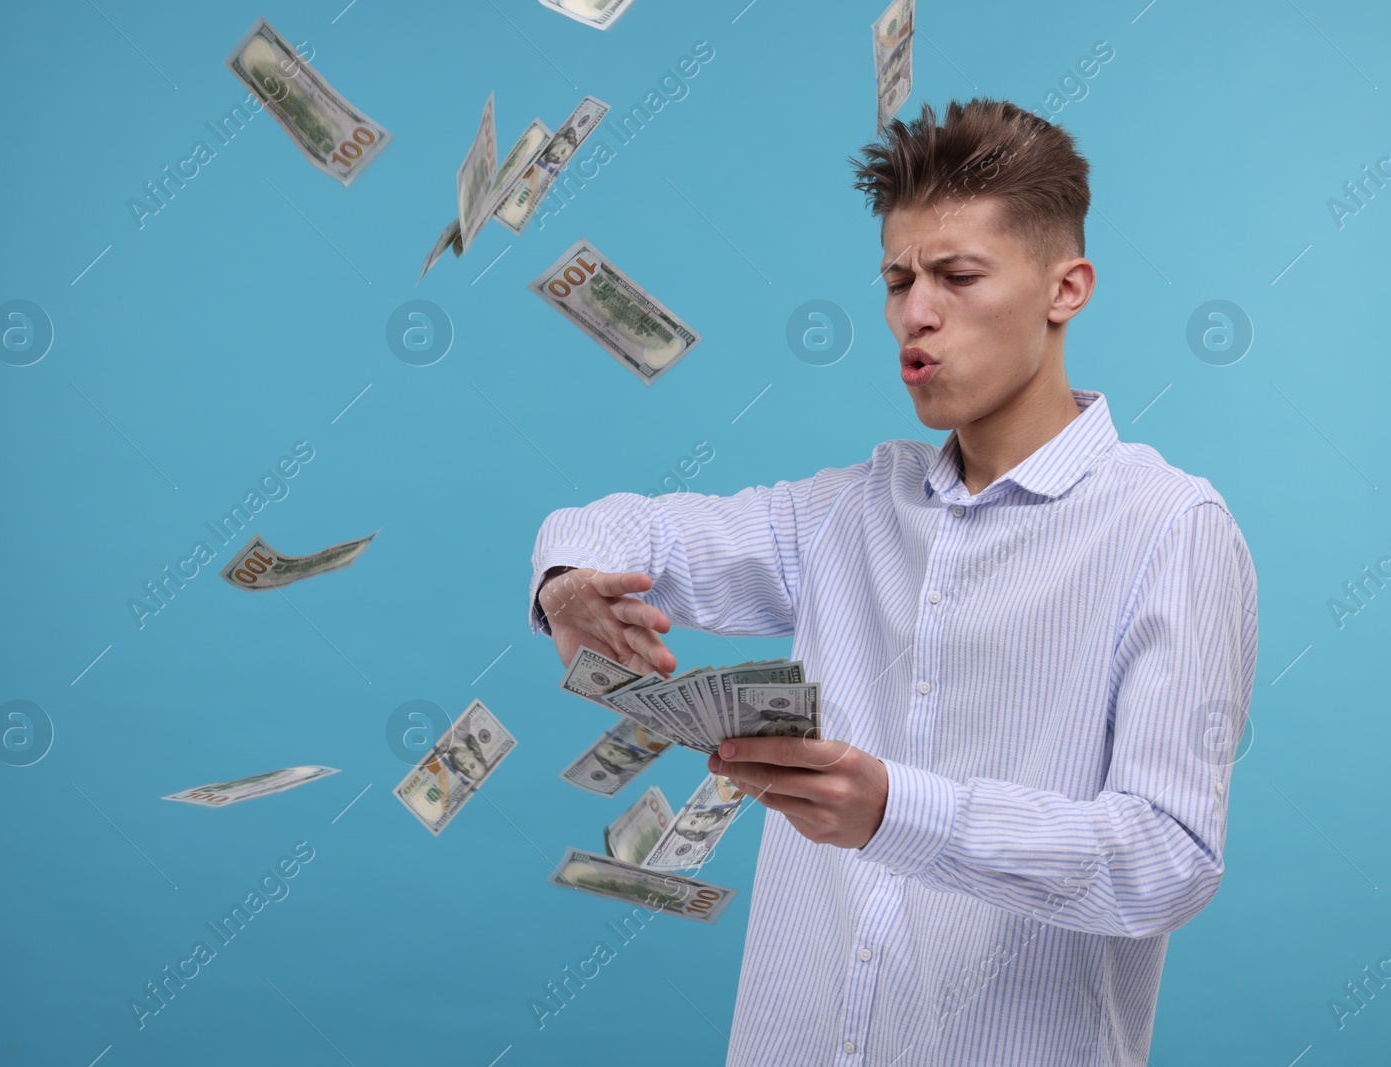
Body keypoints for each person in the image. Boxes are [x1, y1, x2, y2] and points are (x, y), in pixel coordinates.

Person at [527, 97, 1259, 1066]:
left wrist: (898, 814)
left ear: (1064, 287)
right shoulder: (850, 510)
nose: (915, 312)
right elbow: (636, 527)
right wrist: (568, 580)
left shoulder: (1172, 530)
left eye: (956, 275)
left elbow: (1167, 862)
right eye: (897, 278)